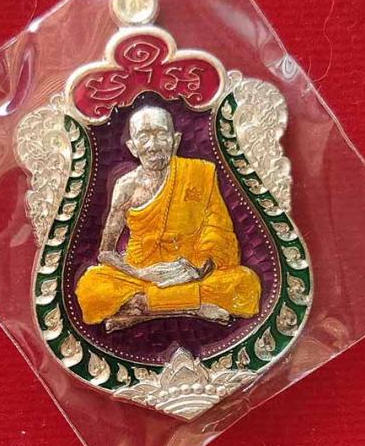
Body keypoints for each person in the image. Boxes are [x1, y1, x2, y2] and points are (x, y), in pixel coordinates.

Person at [75, 106, 261, 332]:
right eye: (144, 137)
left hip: (191, 272)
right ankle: (193, 307)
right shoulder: (126, 186)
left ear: (175, 140)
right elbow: (105, 252)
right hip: (141, 275)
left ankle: (140, 311)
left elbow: (218, 232)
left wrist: (199, 269)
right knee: (91, 287)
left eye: (161, 135)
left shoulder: (199, 174)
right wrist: (142, 273)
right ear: (132, 147)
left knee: (245, 284)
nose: (153, 146)